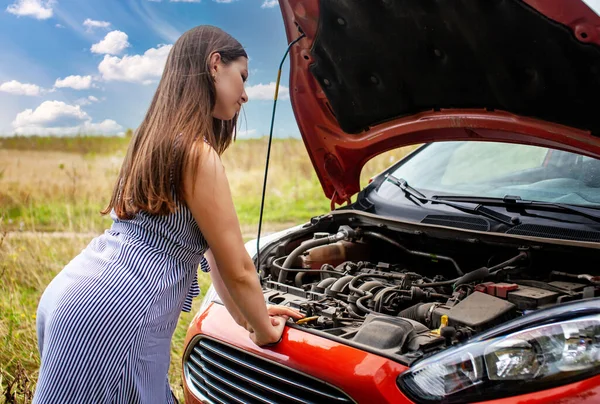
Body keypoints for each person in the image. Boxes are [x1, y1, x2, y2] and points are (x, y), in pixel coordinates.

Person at [33, 25, 304, 403]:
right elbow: (238, 266)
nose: (244, 94)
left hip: (74, 297)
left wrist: (251, 316)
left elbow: (215, 259)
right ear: (215, 64)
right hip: (116, 317)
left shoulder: (154, 140)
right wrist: (266, 332)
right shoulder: (198, 154)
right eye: (241, 77)